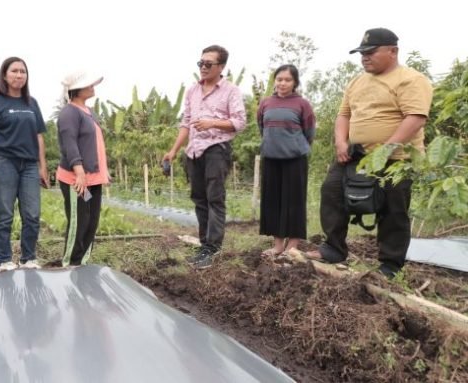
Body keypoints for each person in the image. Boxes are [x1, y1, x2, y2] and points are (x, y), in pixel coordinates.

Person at [306, 28, 433, 279]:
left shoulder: (410, 79)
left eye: (371, 52)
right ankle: (333, 248)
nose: (365, 57)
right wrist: (341, 142)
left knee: (393, 209)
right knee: (331, 192)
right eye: (362, 53)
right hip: (355, 155)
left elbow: (415, 117)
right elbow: (344, 115)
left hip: (397, 159)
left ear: (392, 51)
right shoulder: (357, 81)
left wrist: (387, 148)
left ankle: (390, 265)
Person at [163, 45, 247, 269]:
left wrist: (212, 123)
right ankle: (204, 245)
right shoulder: (192, 91)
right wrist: (173, 150)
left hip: (216, 149)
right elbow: (186, 123)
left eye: (208, 64)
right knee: (199, 198)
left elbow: (239, 122)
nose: (203, 67)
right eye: (200, 63)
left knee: (214, 198)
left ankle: (213, 248)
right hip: (194, 151)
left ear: (221, 67)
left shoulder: (231, 91)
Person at [0, 57, 50, 272]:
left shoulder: (32, 103)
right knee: (5, 214)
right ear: (4, 75)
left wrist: (42, 166)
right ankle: (3, 260)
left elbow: (39, 137)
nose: (19, 75)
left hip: (29, 165)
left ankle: (28, 258)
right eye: (14, 71)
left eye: (23, 71)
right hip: (3, 162)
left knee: (32, 214)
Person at [257, 65, 315, 257]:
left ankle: (292, 247)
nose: (282, 83)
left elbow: (309, 132)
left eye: (287, 80)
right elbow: (262, 127)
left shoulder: (302, 104)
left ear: (295, 82)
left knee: (294, 202)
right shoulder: (266, 103)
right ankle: (278, 245)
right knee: (272, 201)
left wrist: (294, 147)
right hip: (271, 158)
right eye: (279, 79)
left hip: (295, 160)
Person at [56, 72, 109, 266]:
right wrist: (79, 173)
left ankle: (82, 263)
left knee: (91, 221)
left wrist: (104, 171)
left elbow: (94, 143)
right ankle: (69, 264)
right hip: (77, 180)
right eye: (89, 84)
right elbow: (70, 145)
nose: (93, 86)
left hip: (93, 179)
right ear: (76, 90)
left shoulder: (89, 111)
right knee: (79, 222)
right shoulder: (69, 113)